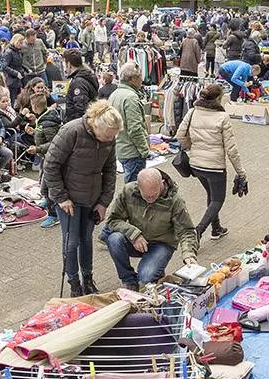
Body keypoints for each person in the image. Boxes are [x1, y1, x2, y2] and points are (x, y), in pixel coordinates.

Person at [43, 101, 122, 295]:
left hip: (92, 197)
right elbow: (50, 165)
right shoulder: (71, 131)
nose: (111, 139)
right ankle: (74, 283)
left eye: (113, 135)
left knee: (86, 239)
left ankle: (88, 279)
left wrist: (104, 202)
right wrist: (61, 198)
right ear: (96, 125)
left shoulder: (109, 138)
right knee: (71, 242)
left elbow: (110, 170)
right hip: (68, 197)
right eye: (108, 135)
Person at [101, 168, 198, 290]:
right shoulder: (128, 191)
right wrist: (134, 234)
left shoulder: (175, 201)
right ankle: (129, 280)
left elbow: (186, 231)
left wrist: (189, 254)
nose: (151, 199)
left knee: (146, 277)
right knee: (114, 239)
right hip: (136, 241)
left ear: (161, 184)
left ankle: (154, 270)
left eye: (154, 195)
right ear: (138, 187)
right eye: (147, 196)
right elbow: (112, 220)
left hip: (162, 244)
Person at [176, 82, 248, 240]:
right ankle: (198, 231)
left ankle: (216, 229)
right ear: (217, 99)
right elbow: (231, 149)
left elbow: (180, 135)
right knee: (217, 199)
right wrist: (241, 172)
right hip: (215, 166)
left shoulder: (193, 112)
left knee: (210, 193)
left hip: (196, 165)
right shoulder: (222, 117)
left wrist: (192, 147)